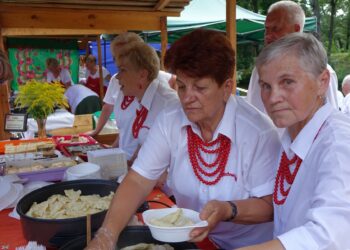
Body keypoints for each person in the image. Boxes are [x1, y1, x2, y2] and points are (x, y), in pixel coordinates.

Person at [86, 29, 281, 250]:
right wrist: (106, 235)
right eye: (181, 86)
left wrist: (228, 209)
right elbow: (139, 180)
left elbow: (269, 206)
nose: (187, 98)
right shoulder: (170, 118)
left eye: (200, 88)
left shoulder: (258, 132)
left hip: (249, 245)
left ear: (227, 87)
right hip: (191, 239)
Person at [238, 33, 350, 250]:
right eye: (266, 86)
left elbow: (331, 235)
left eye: (287, 82)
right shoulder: (291, 134)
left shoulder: (338, 144)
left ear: (322, 82)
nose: (273, 97)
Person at [247, 0, 339, 113]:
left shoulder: (320, 72)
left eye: (276, 29)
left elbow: (329, 119)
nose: (268, 35)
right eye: (267, 29)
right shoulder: (259, 71)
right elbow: (252, 113)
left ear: (296, 30)